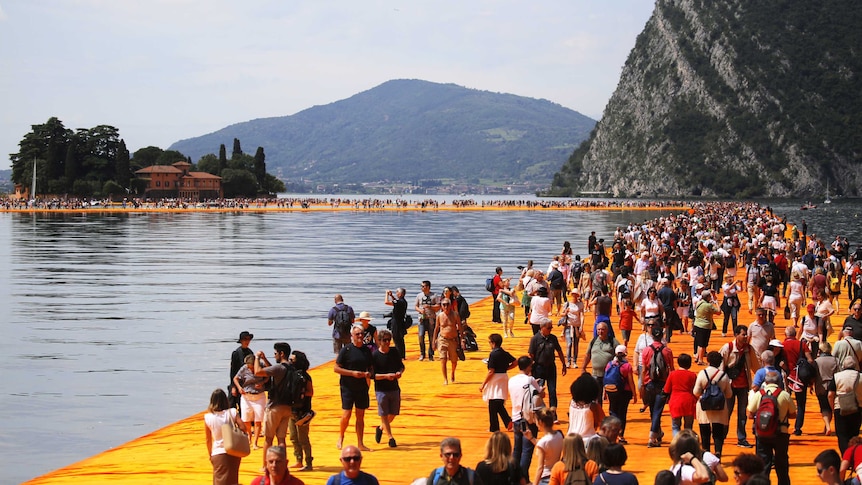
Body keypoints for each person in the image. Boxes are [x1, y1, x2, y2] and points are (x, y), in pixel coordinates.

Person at [746, 371, 796, 485]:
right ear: (778, 381)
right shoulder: (784, 395)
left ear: (765, 381)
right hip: (781, 433)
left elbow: (750, 414)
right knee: (782, 464)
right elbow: (793, 415)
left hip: (762, 433)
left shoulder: (760, 394)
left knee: (763, 464)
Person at [254, 342, 296, 466]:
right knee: (281, 438)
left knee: (268, 438)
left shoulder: (279, 368)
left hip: (274, 407)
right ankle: (283, 464)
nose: (274, 356)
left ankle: (265, 465)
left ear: (281, 353)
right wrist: (265, 359)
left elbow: (258, 371)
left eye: (275, 353)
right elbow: (273, 370)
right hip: (287, 406)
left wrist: (257, 357)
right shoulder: (291, 368)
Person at [334, 324, 374, 451]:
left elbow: (371, 367)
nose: (360, 336)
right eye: (357, 334)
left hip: (362, 387)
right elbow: (336, 368)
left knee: (360, 416)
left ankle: (360, 443)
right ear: (352, 336)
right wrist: (352, 373)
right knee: (347, 414)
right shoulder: (346, 350)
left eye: (361, 334)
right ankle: (341, 436)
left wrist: (369, 374)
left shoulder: (367, 350)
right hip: (347, 386)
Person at [719, 325, 758, 448]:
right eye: (743, 334)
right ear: (736, 335)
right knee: (726, 412)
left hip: (743, 386)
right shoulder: (727, 348)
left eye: (746, 334)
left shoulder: (749, 349)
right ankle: (721, 436)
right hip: (729, 386)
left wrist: (760, 379)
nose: (746, 336)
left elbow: (756, 366)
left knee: (742, 413)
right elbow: (720, 368)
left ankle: (741, 438)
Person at [693, 351, 733, 458]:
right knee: (718, 433)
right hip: (719, 407)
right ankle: (718, 452)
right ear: (720, 362)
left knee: (704, 432)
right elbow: (729, 394)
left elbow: (696, 392)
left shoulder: (702, 373)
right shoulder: (724, 376)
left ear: (708, 360)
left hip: (704, 407)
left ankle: (706, 454)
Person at [204, 388, 246, 485]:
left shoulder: (208, 417)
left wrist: (210, 454)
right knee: (233, 480)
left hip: (218, 451)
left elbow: (208, 439)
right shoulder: (232, 412)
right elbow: (243, 427)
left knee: (219, 481)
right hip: (234, 451)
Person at [642, 325, 674, 447]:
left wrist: (642, 385)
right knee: (658, 411)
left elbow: (644, 369)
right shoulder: (667, 351)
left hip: (649, 383)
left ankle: (657, 434)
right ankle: (652, 437)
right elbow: (671, 369)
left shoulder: (646, 350)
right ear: (662, 336)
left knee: (653, 410)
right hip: (663, 384)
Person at [370, 328, 403, 448]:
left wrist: (399, 373)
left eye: (389, 340)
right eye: (385, 340)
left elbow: (401, 366)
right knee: (383, 413)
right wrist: (385, 376)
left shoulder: (394, 352)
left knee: (393, 413)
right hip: (381, 389)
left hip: (394, 387)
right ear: (379, 341)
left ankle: (380, 428)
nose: (387, 342)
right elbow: (372, 375)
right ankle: (390, 438)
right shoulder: (374, 356)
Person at [509, 356, 543, 475]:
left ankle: (513, 476)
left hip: (515, 418)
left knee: (517, 450)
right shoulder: (530, 380)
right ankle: (523, 478)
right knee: (527, 450)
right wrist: (541, 389)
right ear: (528, 366)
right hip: (528, 419)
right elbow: (539, 394)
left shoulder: (511, 380)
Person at [480, 333, 516, 433]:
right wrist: (506, 368)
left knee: (493, 402)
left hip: (495, 378)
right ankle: (507, 422)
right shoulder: (503, 352)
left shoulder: (493, 354)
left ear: (493, 343)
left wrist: (483, 384)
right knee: (498, 402)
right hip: (503, 377)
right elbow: (515, 361)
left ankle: (495, 427)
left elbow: (491, 371)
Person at [529, 318, 568, 408]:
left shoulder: (553, 338)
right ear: (542, 328)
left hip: (551, 367)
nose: (550, 330)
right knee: (538, 390)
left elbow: (559, 351)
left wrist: (563, 364)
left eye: (551, 328)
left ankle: (553, 413)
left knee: (552, 390)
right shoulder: (535, 339)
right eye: (548, 328)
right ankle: (537, 410)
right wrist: (530, 370)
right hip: (539, 368)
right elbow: (531, 354)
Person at [233, 354, 268, 451]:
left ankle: (255, 442)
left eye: (251, 366)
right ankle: (249, 436)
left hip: (259, 396)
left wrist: (262, 382)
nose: (250, 368)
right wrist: (239, 388)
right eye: (249, 367)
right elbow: (235, 378)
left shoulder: (261, 365)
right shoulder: (244, 368)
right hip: (246, 396)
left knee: (258, 420)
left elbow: (268, 376)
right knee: (246, 419)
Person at [287, 351, 314, 471]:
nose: (290, 362)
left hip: (303, 411)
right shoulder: (290, 374)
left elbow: (311, 392)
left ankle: (308, 462)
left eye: (292, 360)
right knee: (293, 437)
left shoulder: (306, 376)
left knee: (303, 438)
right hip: (291, 411)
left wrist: (300, 393)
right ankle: (298, 460)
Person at [604, 345, 636, 443]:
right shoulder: (627, 366)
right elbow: (630, 381)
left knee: (613, 411)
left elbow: (606, 378)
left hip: (611, 391)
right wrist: (635, 394)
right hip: (624, 392)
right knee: (622, 413)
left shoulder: (609, 364)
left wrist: (604, 392)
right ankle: (620, 436)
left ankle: (611, 434)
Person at [664, 353, 697, 437]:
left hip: (675, 401)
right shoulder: (692, 375)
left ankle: (677, 442)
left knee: (675, 426)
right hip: (689, 402)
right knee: (688, 427)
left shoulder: (672, 374)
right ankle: (687, 443)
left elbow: (666, 389)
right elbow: (696, 390)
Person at [834, 356, 862, 453]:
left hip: (840, 407)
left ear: (843, 365)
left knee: (842, 435)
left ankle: (845, 456)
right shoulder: (860, 376)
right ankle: (854, 455)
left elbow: (830, 394)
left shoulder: (837, 376)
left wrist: (832, 406)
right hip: (857, 408)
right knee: (854, 434)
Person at [582, 321, 620, 391]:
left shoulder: (613, 341)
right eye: (598, 329)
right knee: (596, 396)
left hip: (609, 374)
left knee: (611, 395)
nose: (600, 331)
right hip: (595, 374)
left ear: (607, 330)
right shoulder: (593, 341)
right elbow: (588, 355)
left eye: (602, 329)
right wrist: (583, 367)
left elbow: (620, 354)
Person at [530, 407, 564, 485]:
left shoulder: (543, 442)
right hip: (557, 475)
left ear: (541, 422)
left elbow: (540, 468)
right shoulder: (559, 435)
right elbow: (547, 446)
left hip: (545, 478)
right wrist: (531, 438)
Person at [567, 373, 604, 442]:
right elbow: (602, 422)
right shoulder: (593, 406)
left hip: (570, 438)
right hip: (588, 440)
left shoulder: (571, 403)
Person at [434, 297, 464, 385]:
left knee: (454, 361)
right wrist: (434, 341)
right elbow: (436, 329)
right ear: (441, 306)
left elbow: (460, 327)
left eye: (447, 304)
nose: (446, 306)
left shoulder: (455, 315)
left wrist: (462, 339)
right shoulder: (439, 316)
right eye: (444, 305)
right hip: (442, 339)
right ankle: (445, 379)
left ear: (450, 305)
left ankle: (452, 372)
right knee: (443, 359)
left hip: (453, 340)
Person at [815, 341, 839, 436]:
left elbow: (814, 375)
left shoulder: (817, 361)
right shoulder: (836, 360)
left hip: (820, 386)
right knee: (831, 407)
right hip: (833, 386)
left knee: (824, 407)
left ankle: (827, 426)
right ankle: (827, 426)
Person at [692, 289, 721, 366]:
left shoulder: (699, 303)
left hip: (697, 324)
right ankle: (700, 360)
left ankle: (698, 357)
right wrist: (717, 303)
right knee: (703, 344)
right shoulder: (708, 306)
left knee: (699, 342)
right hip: (705, 326)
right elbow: (718, 312)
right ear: (707, 297)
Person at [416, 281, 441, 361]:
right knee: (421, 335)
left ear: (428, 287)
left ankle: (431, 354)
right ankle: (422, 353)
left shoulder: (434, 295)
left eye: (423, 286)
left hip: (431, 318)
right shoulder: (419, 296)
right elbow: (416, 306)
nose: (422, 287)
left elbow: (438, 306)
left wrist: (430, 306)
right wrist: (420, 310)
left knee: (431, 337)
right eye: (421, 286)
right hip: (421, 319)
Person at [230, 331, 255, 411]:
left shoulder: (250, 352)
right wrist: (233, 387)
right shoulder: (236, 353)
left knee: (244, 406)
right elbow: (233, 371)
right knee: (232, 405)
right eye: (245, 339)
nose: (247, 341)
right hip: (236, 381)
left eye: (248, 339)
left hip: (246, 383)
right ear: (241, 341)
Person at [563, 288, 586, 368]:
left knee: (576, 344)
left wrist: (581, 327)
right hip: (569, 326)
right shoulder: (567, 304)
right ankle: (568, 361)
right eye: (573, 294)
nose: (574, 296)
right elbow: (562, 314)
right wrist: (566, 312)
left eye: (576, 294)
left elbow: (582, 316)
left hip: (577, 326)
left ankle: (574, 361)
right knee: (569, 344)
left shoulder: (580, 304)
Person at [384, 287, 409, 359]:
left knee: (397, 339)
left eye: (397, 292)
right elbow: (395, 302)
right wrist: (391, 296)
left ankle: (400, 356)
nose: (396, 293)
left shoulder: (400, 302)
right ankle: (402, 355)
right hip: (400, 322)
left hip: (397, 324)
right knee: (400, 340)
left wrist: (386, 294)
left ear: (400, 294)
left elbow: (386, 302)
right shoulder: (403, 301)